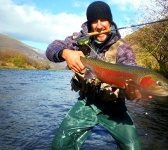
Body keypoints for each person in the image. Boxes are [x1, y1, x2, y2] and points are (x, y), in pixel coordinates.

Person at [46, 1, 141, 149]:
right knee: (59, 146)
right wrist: (65, 52)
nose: (99, 25)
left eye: (103, 20)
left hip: (115, 106)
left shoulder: (123, 48)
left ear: (110, 22)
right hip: (86, 102)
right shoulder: (78, 40)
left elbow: (132, 69)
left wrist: (132, 92)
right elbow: (51, 49)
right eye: (94, 21)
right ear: (90, 24)